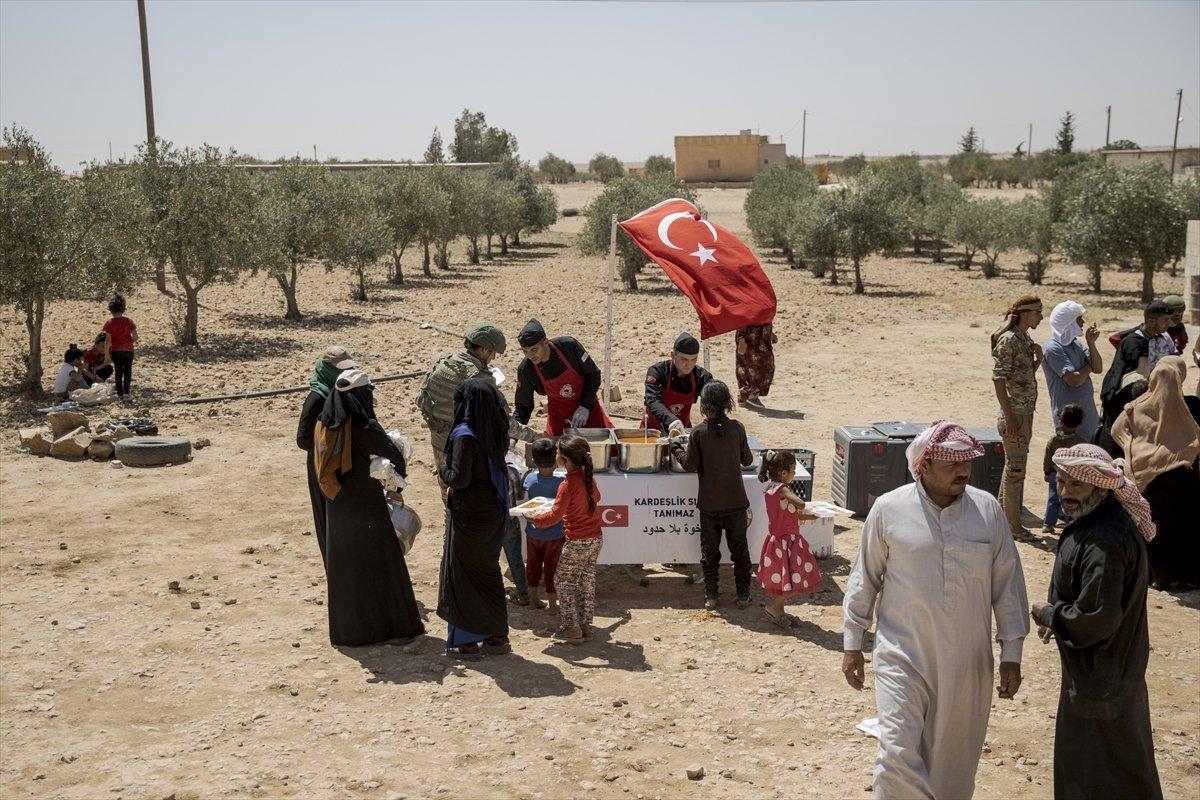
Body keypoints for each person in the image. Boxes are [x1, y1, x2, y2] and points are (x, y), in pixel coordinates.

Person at [843, 421, 1029, 800]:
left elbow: (1008, 586)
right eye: (951, 464)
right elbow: (865, 578)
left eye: (967, 463)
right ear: (923, 465)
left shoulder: (987, 511)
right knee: (896, 753)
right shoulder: (889, 509)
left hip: (967, 664)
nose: (963, 471)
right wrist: (852, 643)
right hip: (902, 657)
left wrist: (1012, 653)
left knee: (952, 768)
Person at [1032, 444, 1163, 800]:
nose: (1065, 492)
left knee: (1096, 775)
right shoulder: (1096, 522)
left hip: (1100, 678)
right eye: (1061, 482)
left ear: (1101, 487)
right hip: (1106, 675)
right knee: (1118, 766)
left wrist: (1050, 614)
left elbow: (1096, 617)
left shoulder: (1105, 540)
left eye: (1076, 484)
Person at [315, 369, 424, 647]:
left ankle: (351, 633)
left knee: (349, 568)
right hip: (366, 505)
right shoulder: (364, 426)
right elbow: (395, 456)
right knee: (380, 563)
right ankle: (392, 628)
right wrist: (396, 488)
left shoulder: (325, 423)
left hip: (337, 505)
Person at [437, 378, 514, 657]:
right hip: (493, 512)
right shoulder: (495, 431)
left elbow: (459, 478)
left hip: (469, 516)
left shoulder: (465, 435)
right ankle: (496, 636)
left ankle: (466, 641)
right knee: (488, 573)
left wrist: (442, 472)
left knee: (463, 576)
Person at [1112, 356, 1200, 590]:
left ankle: (1161, 576)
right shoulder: (1191, 407)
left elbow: (1117, 430)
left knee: (1155, 527)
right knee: (1185, 526)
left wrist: (1133, 452)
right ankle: (1187, 576)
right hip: (1184, 479)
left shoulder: (1137, 406)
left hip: (1149, 480)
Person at [670, 380, 755, 610]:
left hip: (710, 505)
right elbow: (748, 460)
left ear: (704, 405)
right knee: (740, 552)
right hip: (737, 503)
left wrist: (674, 446)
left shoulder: (698, 432)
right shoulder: (737, 428)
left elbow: (689, 464)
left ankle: (712, 596)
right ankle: (744, 594)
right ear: (727, 403)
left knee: (709, 554)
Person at [416, 322, 535, 466]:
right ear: (484, 349)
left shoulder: (443, 362)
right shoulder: (480, 377)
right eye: (493, 352)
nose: (493, 357)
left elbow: (422, 400)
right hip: (465, 448)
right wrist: (533, 436)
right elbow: (504, 421)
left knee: (445, 478)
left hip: (439, 442)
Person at [529, 435, 602, 644]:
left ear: (565, 460)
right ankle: (585, 626)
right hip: (595, 538)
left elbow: (555, 515)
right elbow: (596, 498)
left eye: (559, 454)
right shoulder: (587, 479)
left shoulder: (567, 484)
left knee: (563, 582)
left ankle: (572, 628)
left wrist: (534, 519)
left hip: (577, 541)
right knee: (586, 582)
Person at [297, 345, 357, 564]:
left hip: (340, 461)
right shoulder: (317, 397)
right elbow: (303, 439)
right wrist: (329, 444)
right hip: (321, 464)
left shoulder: (343, 391)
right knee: (327, 516)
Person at [991, 295, 1043, 537]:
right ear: (1024, 314)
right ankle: (1012, 526)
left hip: (1024, 412)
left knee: (1013, 467)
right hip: (1015, 415)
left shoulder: (1024, 338)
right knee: (1016, 471)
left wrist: (1038, 361)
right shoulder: (1009, 340)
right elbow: (999, 379)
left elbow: (1020, 376)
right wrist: (1010, 417)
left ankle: (1004, 520)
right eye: (1037, 312)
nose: (1041, 317)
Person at [514, 318, 613, 435]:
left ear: (545, 342)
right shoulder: (526, 370)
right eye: (525, 351)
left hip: (588, 413)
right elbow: (523, 408)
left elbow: (593, 375)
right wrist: (512, 438)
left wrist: (584, 406)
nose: (530, 355)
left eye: (534, 350)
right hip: (559, 421)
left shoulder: (569, 347)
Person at [756, 449, 821, 629]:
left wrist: (811, 516)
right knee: (793, 578)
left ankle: (779, 611)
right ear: (783, 473)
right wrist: (807, 507)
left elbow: (787, 514)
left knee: (785, 579)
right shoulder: (783, 489)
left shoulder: (771, 487)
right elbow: (800, 504)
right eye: (793, 470)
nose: (794, 473)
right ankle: (774, 607)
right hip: (787, 542)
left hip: (777, 540)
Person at [1100, 301, 1177, 442]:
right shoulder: (1133, 342)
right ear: (1151, 321)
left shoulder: (1165, 338)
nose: (1170, 323)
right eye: (1166, 319)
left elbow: (1174, 360)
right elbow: (1131, 379)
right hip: (1130, 400)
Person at [1041, 300, 1102, 443]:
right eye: (1079, 319)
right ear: (1068, 322)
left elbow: (1098, 368)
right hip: (1069, 420)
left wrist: (1091, 344)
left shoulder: (1076, 344)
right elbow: (1073, 380)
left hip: (1088, 416)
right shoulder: (1052, 348)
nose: (1083, 322)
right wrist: (1089, 367)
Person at [523, 438, 565, 613]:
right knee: (552, 569)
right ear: (555, 459)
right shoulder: (561, 482)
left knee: (533, 566)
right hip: (555, 534)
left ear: (533, 460)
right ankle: (553, 605)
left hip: (533, 532)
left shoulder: (529, 479)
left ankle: (533, 599)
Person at [643, 331, 713, 434]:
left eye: (693, 359)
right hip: (652, 431)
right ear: (673, 355)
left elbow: (714, 399)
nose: (689, 365)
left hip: (683, 431)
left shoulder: (701, 376)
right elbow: (652, 400)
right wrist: (672, 421)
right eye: (684, 359)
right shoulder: (657, 371)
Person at [1042, 404, 1086, 535]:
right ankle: (1069, 524)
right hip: (1073, 476)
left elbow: (1047, 458)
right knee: (1070, 499)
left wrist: (1047, 472)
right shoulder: (1081, 442)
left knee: (1053, 498)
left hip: (1055, 473)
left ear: (1061, 422)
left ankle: (1048, 524)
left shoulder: (1054, 440)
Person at [102, 293, 137, 398]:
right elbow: (136, 337)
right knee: (127, 371)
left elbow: (108, 341)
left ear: (111, 309)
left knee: (118, 372)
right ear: (123, 308)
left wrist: (106, 354)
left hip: (116, 351)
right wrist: (129, 342)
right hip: (128, 350)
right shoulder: (129, 321)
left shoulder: (109, 323)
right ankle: (127, 393)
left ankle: (120, 394)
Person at [735, 322, 776, 407]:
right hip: (749, 337)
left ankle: (746, 396)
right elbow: (740, 317)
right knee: (750, 366)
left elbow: (763, 317)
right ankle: (750, 395)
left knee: (767, 366)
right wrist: (741, 339)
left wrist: (769, 333)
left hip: (763, 337)